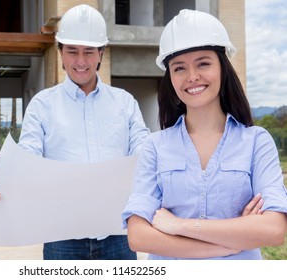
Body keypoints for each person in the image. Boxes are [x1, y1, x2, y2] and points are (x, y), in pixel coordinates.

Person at [0, 4, 150, 260]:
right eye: (72, 52)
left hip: (118, 236)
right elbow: (28, 160)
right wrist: (0, 186)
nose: (81, 61)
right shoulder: (42, 105)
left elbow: (144, 152)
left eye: (89, 52)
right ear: (60, 53)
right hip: (62, 239)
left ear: (100, 53)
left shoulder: (124, 103)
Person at [122, 9, 287, 260]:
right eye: (179, 68)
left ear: (223, 67)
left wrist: (180, 226)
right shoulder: (155, 146)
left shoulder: (256, 141)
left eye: (203, 63)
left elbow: (273, 229)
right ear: (170, 78)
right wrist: (229, 243)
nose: (192, 77)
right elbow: (138, 236)